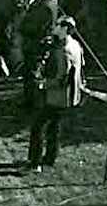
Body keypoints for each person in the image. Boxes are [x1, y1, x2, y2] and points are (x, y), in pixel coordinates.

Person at [29, 15, 83, 171]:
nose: (54, 27)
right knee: (54, 127)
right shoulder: (75, 44)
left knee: (38, 126)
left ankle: (35, 161)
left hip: (57, 96)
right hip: (68, 96)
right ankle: (50, 158)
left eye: (58, 25)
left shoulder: (63, 51)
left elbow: (61, 77)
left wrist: (43, 83)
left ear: (65, 29)